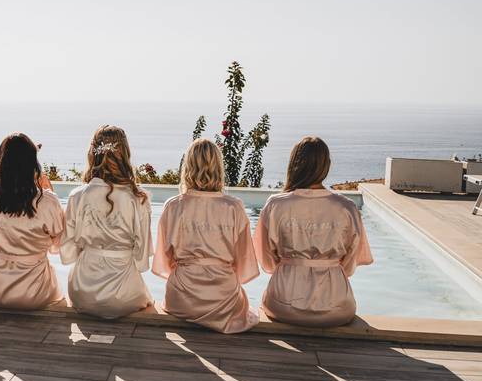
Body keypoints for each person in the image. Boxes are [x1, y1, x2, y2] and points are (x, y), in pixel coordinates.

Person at [254, 136, 373, 327]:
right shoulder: (346, 207)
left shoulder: (276, 205)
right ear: (326, 166)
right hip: (337, 307)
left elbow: (267, 261)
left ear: (293, 164)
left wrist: (289, 265)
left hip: (284, 304)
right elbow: (350, 266)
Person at [152, 138, 260, 333]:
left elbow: (164, 259)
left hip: (182, 298)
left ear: (188, 167)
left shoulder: (173, 206)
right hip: (223, 299)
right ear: (218, 167)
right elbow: (244, 261)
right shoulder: (233, 207)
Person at [61, 125, 153, 318]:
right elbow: (142, 258)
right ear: (125, 154)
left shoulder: (77, 196)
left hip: (82, 289)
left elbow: (67, 254)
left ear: (93, 154)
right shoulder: (138, 199)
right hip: (123, 292)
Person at [0, 133, 65, 309]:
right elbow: (57, 247)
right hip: (35, 293)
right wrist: (48, 193)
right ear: (32, 165)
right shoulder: (47, 201)